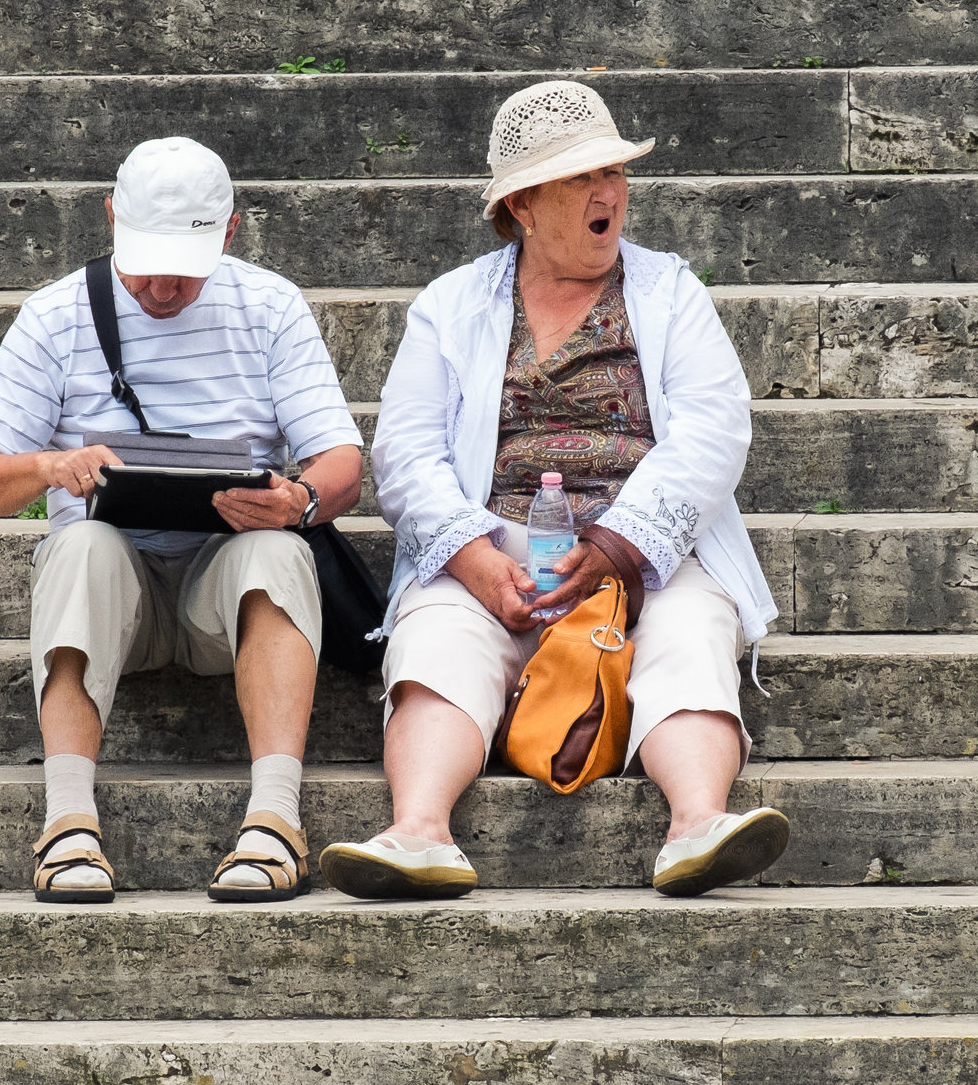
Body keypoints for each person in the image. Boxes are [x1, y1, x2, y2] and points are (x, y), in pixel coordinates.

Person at [320, 81, 788, 900]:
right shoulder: (452, 305)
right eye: (582, 178)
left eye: (613, 171)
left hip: (648, 555)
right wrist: (468, 557)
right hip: (490, 552)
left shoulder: (669, 291)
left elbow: (716, 427)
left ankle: (697, 826)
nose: (609, 191)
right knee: (436, 644)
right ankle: (419, 832)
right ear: (525, 205)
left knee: (688, 636)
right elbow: (404, 451)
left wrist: (617, 548)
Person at [0, 136, 364, 904]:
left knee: (277, 548)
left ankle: (276, 819)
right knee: (82, 544)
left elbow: (341, 466)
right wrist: (46, 466)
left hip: (223, 594)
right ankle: (68, 823)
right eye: (146, 262)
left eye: (186, 266)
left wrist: (295, 501)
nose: (164, 287)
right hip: (112, 603)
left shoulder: (269, 307)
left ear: (230, 235)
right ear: (110, 221)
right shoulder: (57, 316)